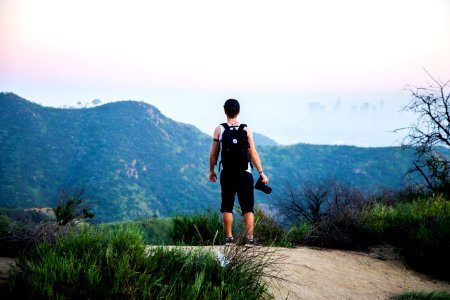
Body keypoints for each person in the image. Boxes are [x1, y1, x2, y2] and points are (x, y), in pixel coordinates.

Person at [208, 99, 269, 246]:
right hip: (244, 172)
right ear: (239, 111)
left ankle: (229, 239)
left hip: (227, 173)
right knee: (247, 207)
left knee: (227, 205)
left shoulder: (219, 129)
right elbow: (252, 153)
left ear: (225, 111)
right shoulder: (246, 129)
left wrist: (211, 170)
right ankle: (250, 239)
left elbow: (213, 154)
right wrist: (261, 172)